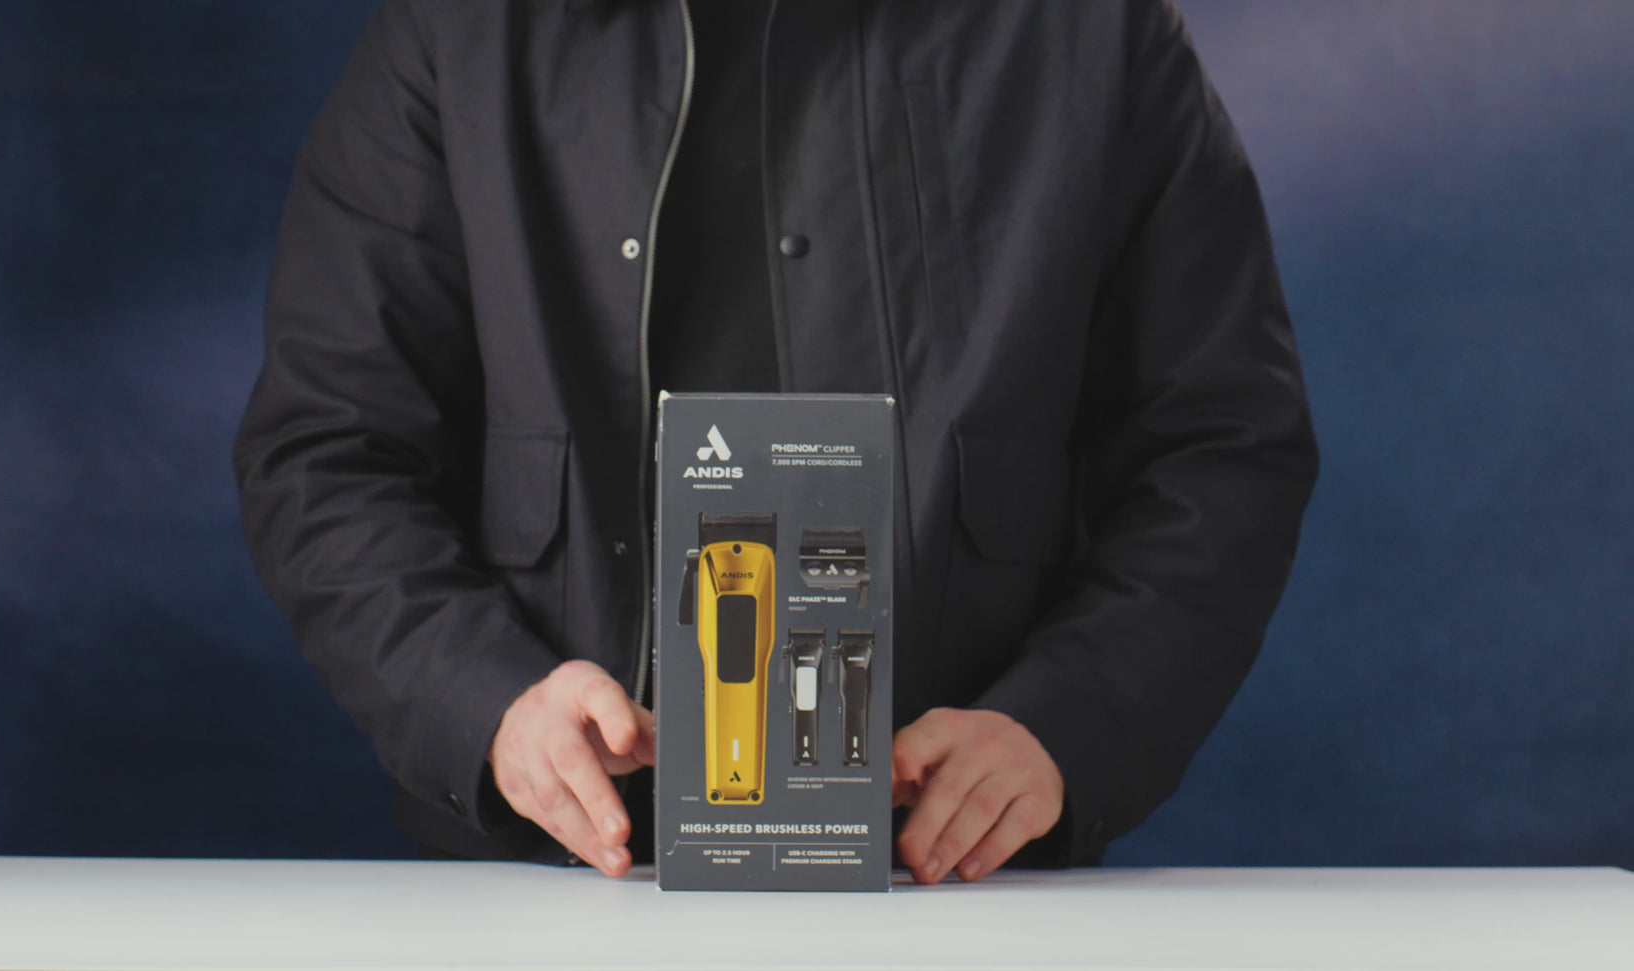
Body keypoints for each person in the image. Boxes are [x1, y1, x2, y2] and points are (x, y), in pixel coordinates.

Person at [234, 0, 1317, 884]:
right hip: (552, 873)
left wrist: (1064, 724)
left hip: (952, 876)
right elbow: (329, 443)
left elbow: (1222, 441)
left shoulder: (1093, 28)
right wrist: (482, 700)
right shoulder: (460, 27)